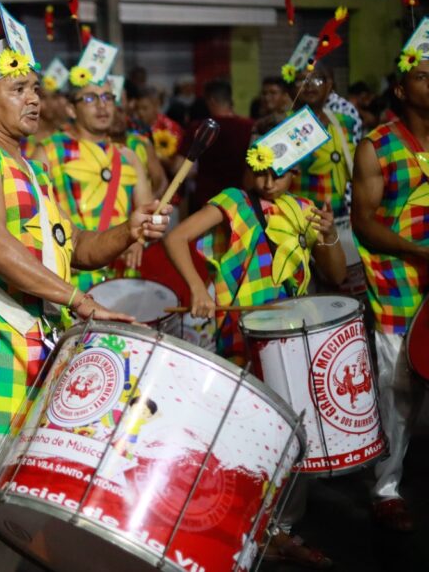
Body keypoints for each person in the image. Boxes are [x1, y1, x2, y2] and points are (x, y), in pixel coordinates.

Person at [0, 38, 170, 571]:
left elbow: (77, 249)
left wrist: (127, 230)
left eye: (35, 88)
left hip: (37, 361)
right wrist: (82, 303)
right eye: (17, 89)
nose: (34, 99)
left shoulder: (26, 166)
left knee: (29, 518)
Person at [165, 128, 344, 360]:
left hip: (293, 332)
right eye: (261, 173)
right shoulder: (235, 201)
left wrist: (330, 235)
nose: (268, 183)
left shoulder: (306, 210)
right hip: (240, 333)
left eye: (278, 174)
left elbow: (337, 276)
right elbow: (174, 238)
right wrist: (197, 288)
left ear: (295, 172)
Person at [351, 52, 429, 532]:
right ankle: (385, 488)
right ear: (400, 90)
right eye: (423, 76)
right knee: (399, 389)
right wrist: (421, 253)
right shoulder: (376, 146)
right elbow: (363, 223)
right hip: (399, 282)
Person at [33, 77, 152, 290]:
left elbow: (148, 211)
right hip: (71, 279)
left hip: (120, 276)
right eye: (90, 98)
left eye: (107, 97)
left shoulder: (128, 157)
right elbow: (36, 210)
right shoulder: (49, 151)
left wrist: (140, 240)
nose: (102, 105)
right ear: (71, 109)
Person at [290, 65, 361, 220]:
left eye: (317, 79)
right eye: (302, 80)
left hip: (337, 216)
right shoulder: (280, 125)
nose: (309, 85)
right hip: (294, 219)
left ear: (329, 85)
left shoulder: (346, 122)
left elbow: (357, 171)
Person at [180, 79, 254, 212]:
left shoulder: (199, 128)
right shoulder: (249, 127)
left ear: (211, 101)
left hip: (205, 201)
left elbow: (180, 167)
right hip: (238, 201)